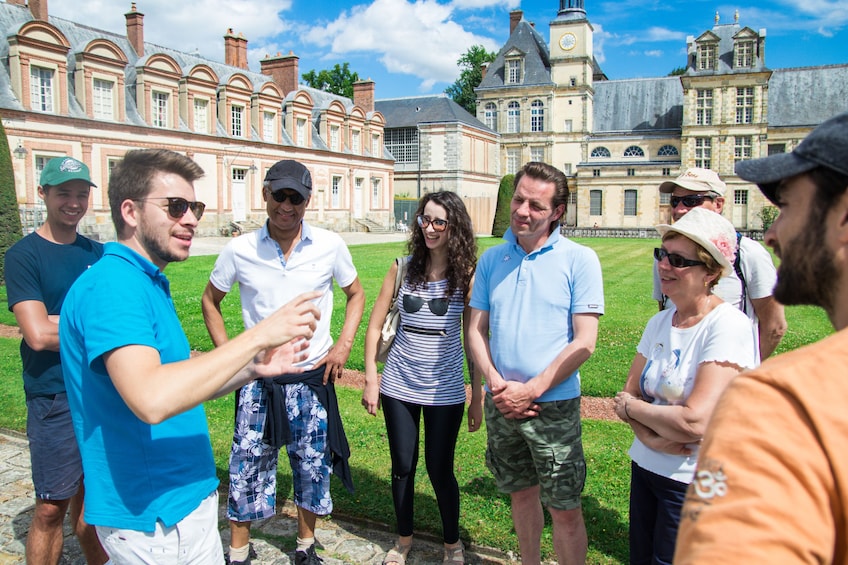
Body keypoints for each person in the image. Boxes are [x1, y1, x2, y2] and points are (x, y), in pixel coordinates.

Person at [60, 149, 320, 564]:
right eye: (176, 207)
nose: (192, 219)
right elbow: (151, 398)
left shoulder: (146, 281)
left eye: (194, 206)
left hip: (183, 503)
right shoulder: (114, 287)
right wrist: (256, 337)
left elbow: (180, 381)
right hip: (153, 516)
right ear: (130, 211)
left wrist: (252, 368)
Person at [675, 111, 848, 562]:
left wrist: (739, 390)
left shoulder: (783, 404)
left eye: (787, 206)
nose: (772, 232)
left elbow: (772, 324)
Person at [202, 159, 365, 565]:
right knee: (247, 463)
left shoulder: (329, 246)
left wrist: (343, 345)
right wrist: (233, 359)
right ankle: (238, 552)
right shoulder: (240, 249)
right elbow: (210, 300)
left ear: (308, 201)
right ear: (265, 195)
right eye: (280, 195)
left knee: (312, 466)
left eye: (296, 197)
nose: (286, 206)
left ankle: (305, 547)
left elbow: (356, 294)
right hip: (259, 381)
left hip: (311, 377)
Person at [466, 161, 604, 565]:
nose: (522, 211)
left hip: (552, 406)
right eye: (519, 199)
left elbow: (586, 342)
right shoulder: (493, 260)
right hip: (502, 402)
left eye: (536, 206)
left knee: (564, 509)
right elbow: (475, 330)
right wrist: (494, 383)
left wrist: (534, 388)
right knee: (521, 495)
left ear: (558, 212)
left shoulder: (580, 260)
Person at [613, 207, 758, 564]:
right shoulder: (660, 322)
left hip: (692, 480)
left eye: (678, 260)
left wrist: (636, 410)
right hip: (646, 466)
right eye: (662, 254)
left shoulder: (727, 327)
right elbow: (626, 397)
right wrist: (651, 436)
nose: (664, 266)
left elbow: (696, 421)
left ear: (710, 272)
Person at [361, 191, 482, 565]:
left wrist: (476, 396)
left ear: (454, 227)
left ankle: (452, 543)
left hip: (444, 389)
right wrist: (370, 377)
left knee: (439, 469)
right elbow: (375, 324)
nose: (429, 228)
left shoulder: (467, 276)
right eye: (424, 220)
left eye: (438, 222)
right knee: (402, 466)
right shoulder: (402, 267)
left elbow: (474, 339)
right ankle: (402, 541)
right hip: (398, 384)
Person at [4, 157, 110, 565]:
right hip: (54, 395)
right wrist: (89, 325)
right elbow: (37, 335)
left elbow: (118, 320)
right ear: (43, 193)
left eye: (81, 194)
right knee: (51, 507)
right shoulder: (23, 256)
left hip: (99, 394)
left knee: (97, 505)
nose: (73, 201)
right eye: (64, 192)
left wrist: (57, 320)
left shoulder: (100, 254)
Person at [652, 167, 786, 358]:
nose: (679, 209)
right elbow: (665, 311)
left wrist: (741, 373)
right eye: (675, 201)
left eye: (691, 201)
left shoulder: (748, 253)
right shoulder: (665, 257)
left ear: (718, 204)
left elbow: (775, 327)